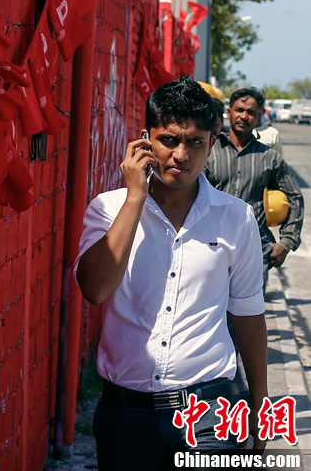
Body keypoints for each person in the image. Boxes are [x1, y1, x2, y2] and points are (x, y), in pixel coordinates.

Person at [77, 76, 267, 468]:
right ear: (146, 140)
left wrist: (260, 406)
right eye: (169, 140)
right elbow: (94, 289)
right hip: (126, 414)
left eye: (195, 142)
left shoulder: (236, 218)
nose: (181, 154)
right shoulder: (108, 209)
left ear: (212, 144)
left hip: (210, 411)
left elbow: (248, 313)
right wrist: (135, 198)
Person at [204, 86, 303, 294]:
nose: (244, 116)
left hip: (255, 251)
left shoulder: (270, 157)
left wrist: (286, 242)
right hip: (211, 247)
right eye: (239, 110)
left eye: (251, 113)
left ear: (259, 118)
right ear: (229, 111)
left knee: (247, 318)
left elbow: (294, 197)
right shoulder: (208, 151)